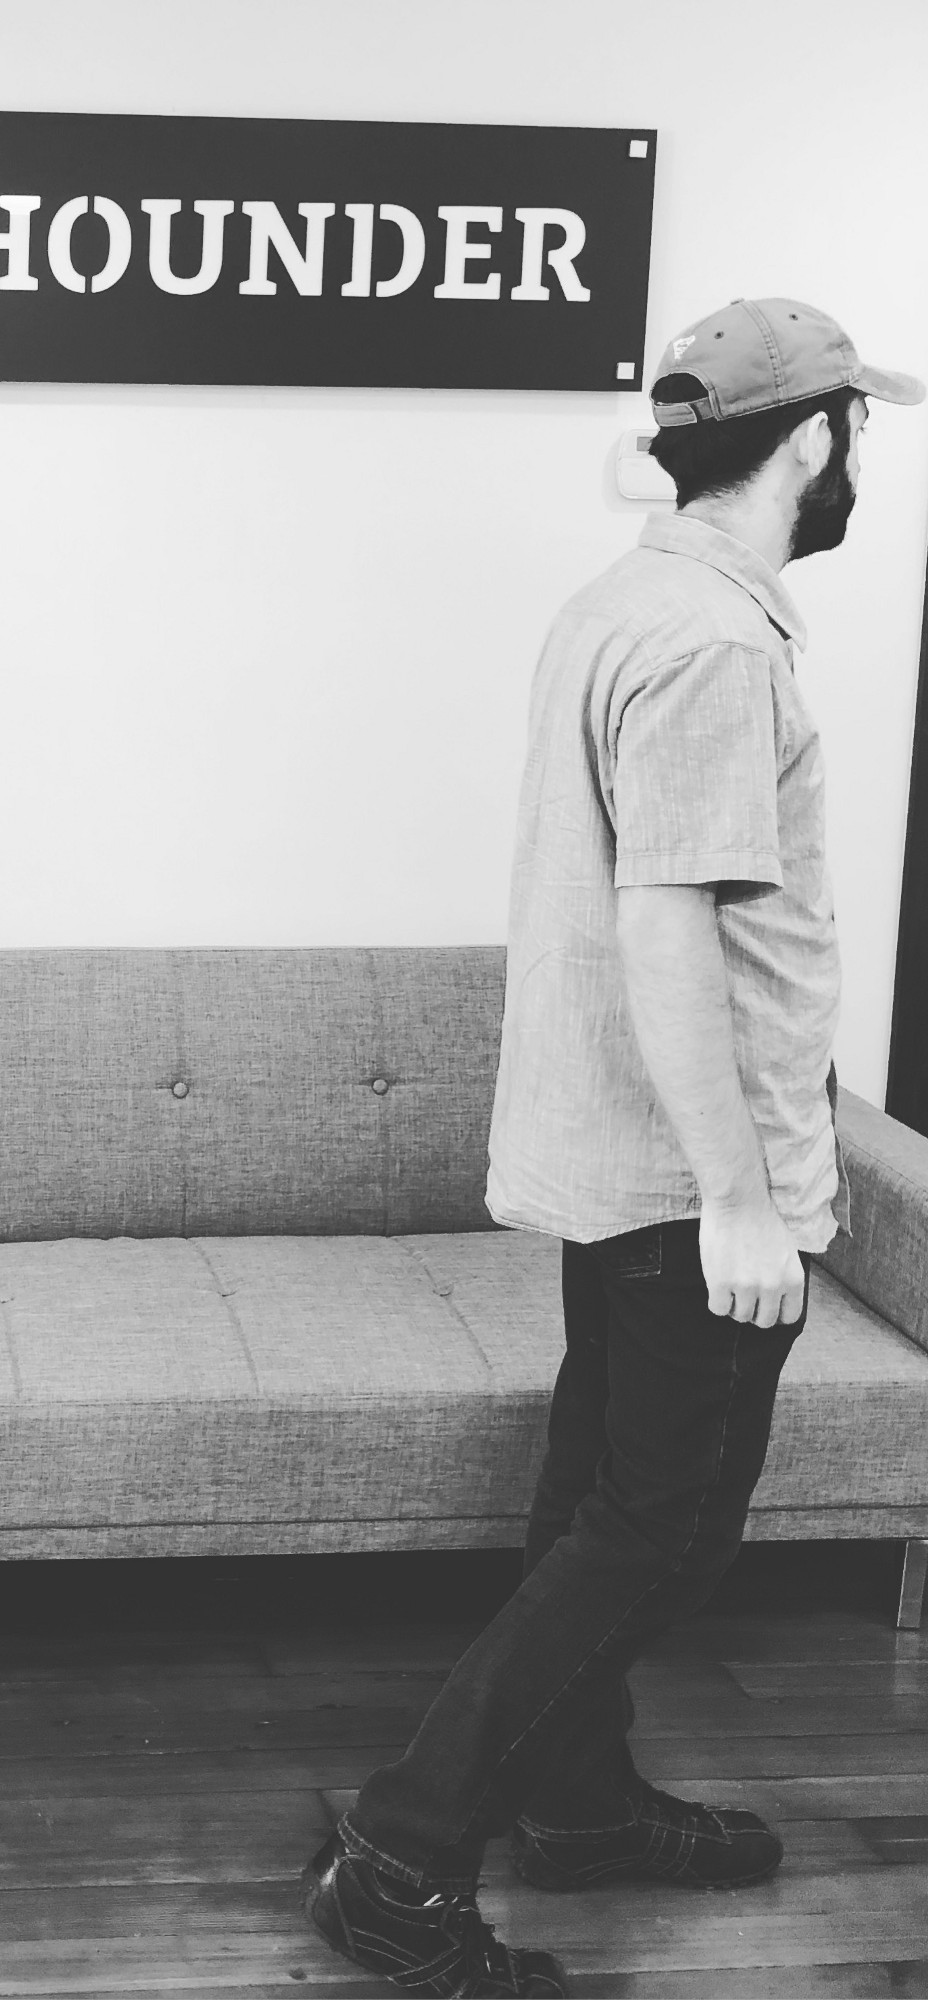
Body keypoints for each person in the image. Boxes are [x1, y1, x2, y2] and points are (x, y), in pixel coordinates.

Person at [303, 298, 924, 1997]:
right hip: (688, 1179)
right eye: (856, 427)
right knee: (661, 1530)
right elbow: (668, 923)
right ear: (812, 442)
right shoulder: (716, 644)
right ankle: (404, 1854)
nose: (861, 452)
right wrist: (741, 1196)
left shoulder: (630, 601)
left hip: (620, 1157)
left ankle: (572, 1802)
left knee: (598, 1502)